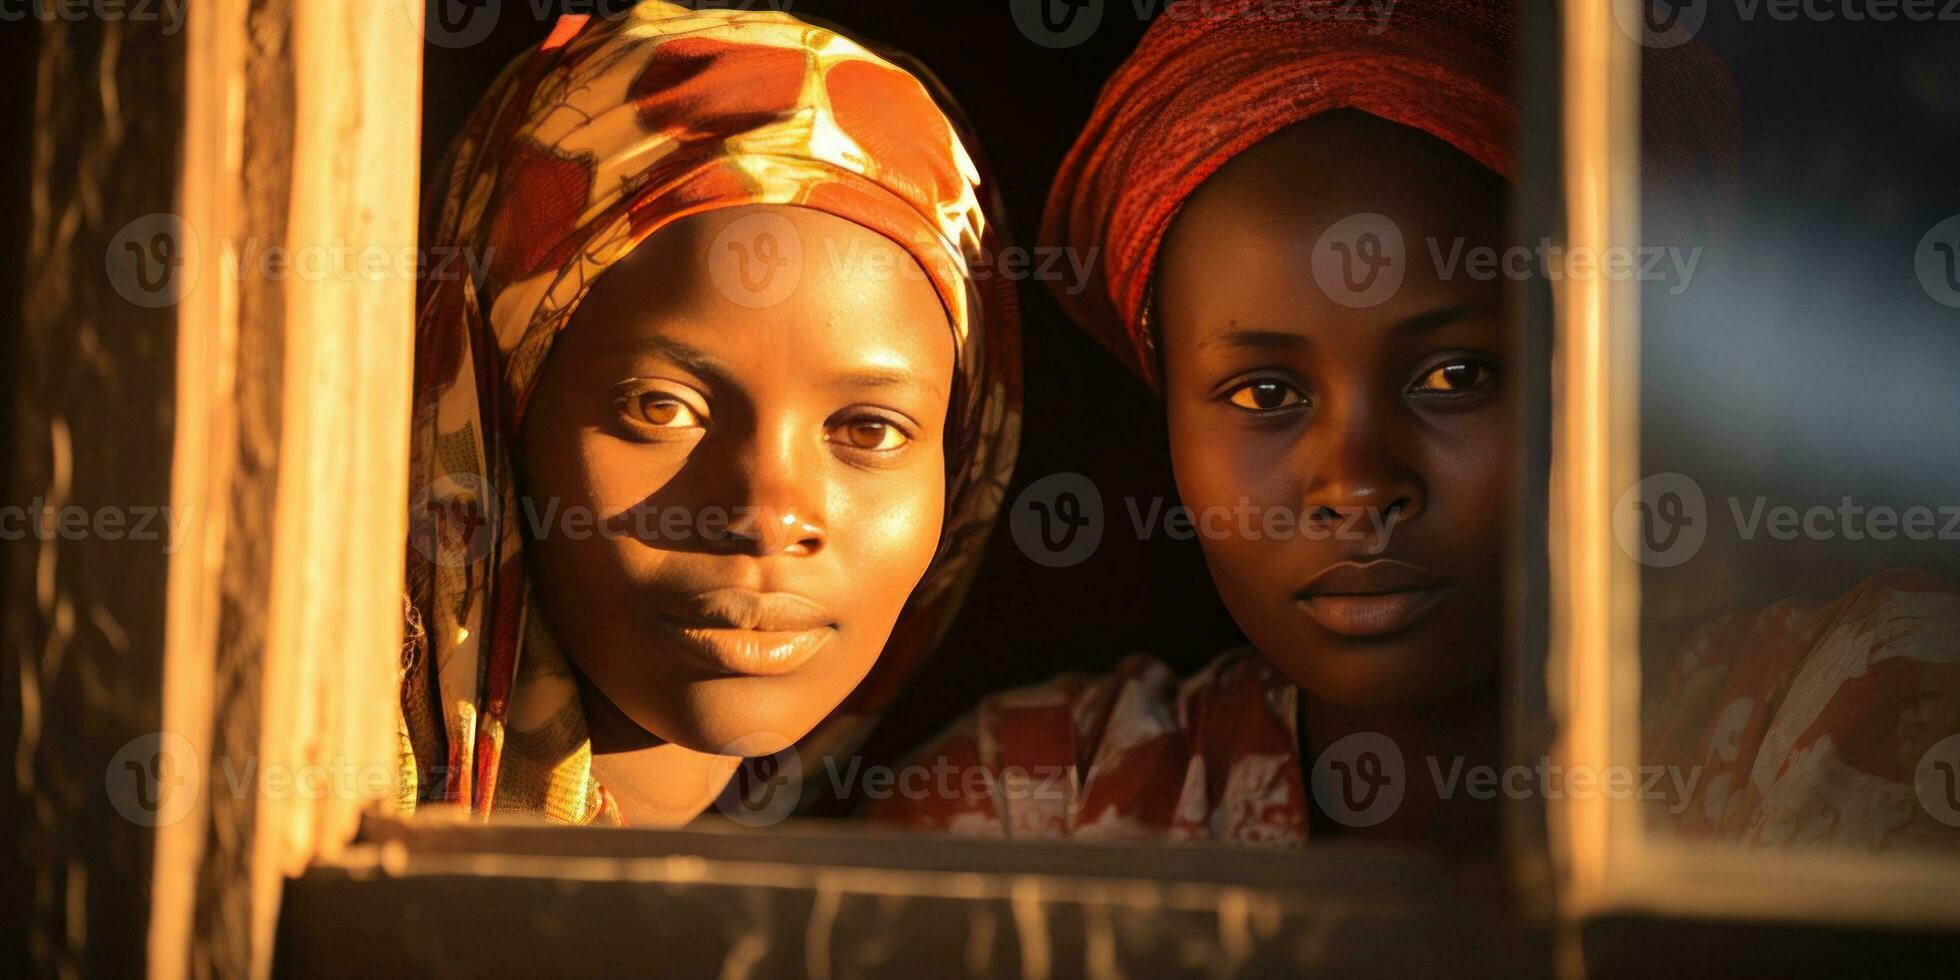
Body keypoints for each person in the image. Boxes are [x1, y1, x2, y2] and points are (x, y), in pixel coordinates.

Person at [874, 0, 1960, 853]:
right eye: (1263, 393)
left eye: (1453, 373)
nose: (1355, 480)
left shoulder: (1861, 709)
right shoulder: (1036, 798)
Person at [395, 1, 1020, 826]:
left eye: (868, 430)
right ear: (494, 406)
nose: (767, 515)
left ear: (964, 465)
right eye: (663, 408)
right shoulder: (319, 756)